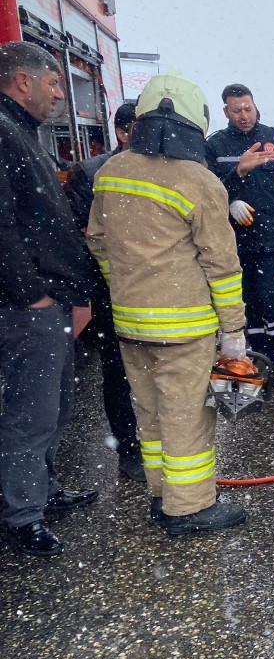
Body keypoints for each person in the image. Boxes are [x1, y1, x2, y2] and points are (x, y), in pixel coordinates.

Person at [86, 72, 248, 535]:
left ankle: (161, 494)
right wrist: (233, 332)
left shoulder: (111, 172)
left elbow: (98, 242)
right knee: (187, 416)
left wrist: (127, 288)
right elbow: (221, 265)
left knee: (151, 413)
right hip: (184, 328)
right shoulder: (199, 181)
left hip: (129, 322)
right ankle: (190, 506)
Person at [0, 41, 97, 557]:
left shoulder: (25, 132)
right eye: (54, 83)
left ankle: (43, 490)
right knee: (29, 414)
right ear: (23, 81)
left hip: (52, 302)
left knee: (57, 408)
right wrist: (32, 295)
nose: (61, 93)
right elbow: (4, 226)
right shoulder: (4, 132)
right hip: (27, 309)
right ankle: (22, 518)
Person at [205, 84, 274, 373]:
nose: (243, 115)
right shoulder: (215, 146)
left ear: (255, 106)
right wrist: (232, 190)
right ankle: (253, 353)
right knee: (246, 299)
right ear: (226, 112)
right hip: (235, 240)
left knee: (269, 295)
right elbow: (205, 192)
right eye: (236, 110)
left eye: (247, 108)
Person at [65, 101, 144, 481]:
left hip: (157, 289)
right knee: (117, 370)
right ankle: (128, 447)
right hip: (110, 290)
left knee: (159, 371)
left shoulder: (161, 172)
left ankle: (160, 444)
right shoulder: (92, 172)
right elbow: (80, 233)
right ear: (123, 132)